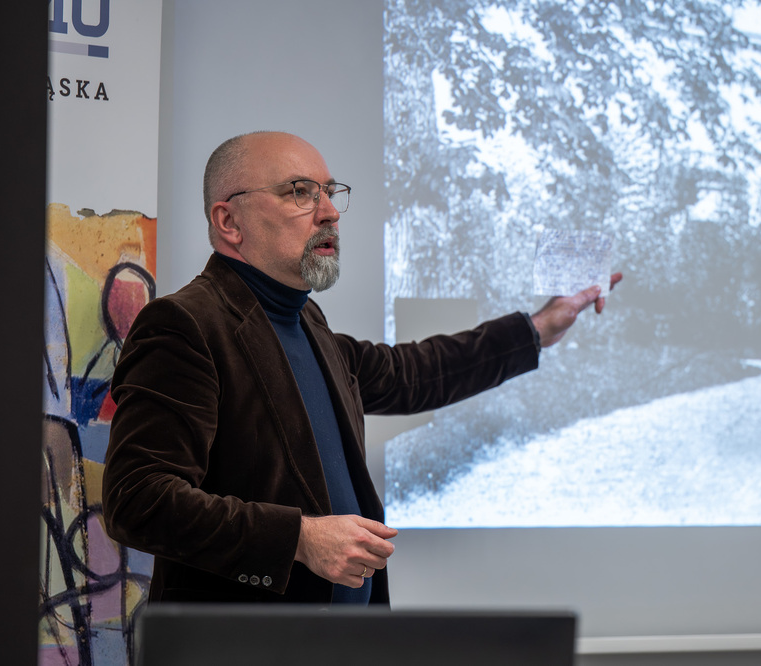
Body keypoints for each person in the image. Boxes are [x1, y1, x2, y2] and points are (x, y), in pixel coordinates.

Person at [102, 131, 622, 606]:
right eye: (300, 192)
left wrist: (537, 328)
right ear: (229, 221)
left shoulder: (305, 321)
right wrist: (299, 538)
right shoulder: (183, 324)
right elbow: (138, 498)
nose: (329, 212)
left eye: (329, 192)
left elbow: (408, 373)